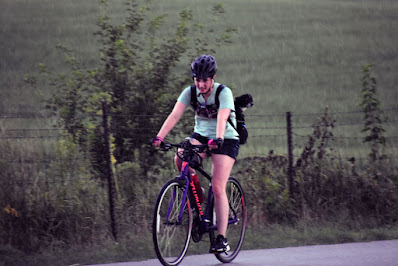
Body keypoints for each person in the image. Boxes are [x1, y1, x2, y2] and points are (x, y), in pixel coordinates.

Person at [152, 54, 240, 253]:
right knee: (180, 157)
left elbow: (222, 117)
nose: (200, 84)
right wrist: (159, 137)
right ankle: (196, 194)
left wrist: (218, 139)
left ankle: (221, 239)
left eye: (204, 80)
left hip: (225, 138)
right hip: (201, 135)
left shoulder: (223, 93)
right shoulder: (190, 93)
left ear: (213, 78)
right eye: (197, 79)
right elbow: (175, 114)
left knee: (217, 186)